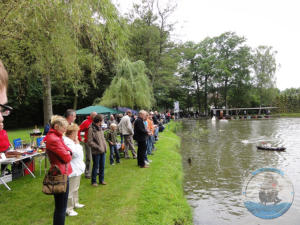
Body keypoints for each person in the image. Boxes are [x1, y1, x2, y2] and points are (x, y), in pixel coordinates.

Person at [44, 116, 72, 225]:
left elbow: (68, 149)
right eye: (63, 128)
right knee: (61, 208)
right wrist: (68, 153)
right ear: (56, 126)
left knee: (60, 207)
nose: (65, 130)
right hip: (60, 174)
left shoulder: (56, 136)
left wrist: (68, 152)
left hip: (61, 172)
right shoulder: (54, 139)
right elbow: (67, 157)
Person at [63, 124, 85, 217]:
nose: (77, 134)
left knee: (76, 188)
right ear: (71, 133)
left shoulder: (72, 141)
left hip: (77, 167)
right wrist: (77, 143)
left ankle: (75, 203)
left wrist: (76, 143)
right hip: (72, 168)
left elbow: (79, 153)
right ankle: (68, 209)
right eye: (76, 132)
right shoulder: (67, 142)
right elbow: (75, 154)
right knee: (70, 190)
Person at [88, 114, 107, 186]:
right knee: (96, 166)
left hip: (103, 150)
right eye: (102, 120)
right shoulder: (91, 129)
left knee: (102, 166)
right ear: (99, 121)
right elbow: (90, 141)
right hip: (96, 151)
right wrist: (98, 147)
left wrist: (104, 147)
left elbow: (102, 139)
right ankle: (94, 181)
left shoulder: (100, 127)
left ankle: (101, 180)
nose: (103, 121)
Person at [78, 111, 97, 179]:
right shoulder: (86, 122)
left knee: (95, 157)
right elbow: (78, 130)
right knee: (88, 157)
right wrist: (80, 139)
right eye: (95, 115)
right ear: (91, 115)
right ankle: (87, 172)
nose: (96, 117)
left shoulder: (96, 121)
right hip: (88, 142)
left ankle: (95, 171)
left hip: (95, 142)